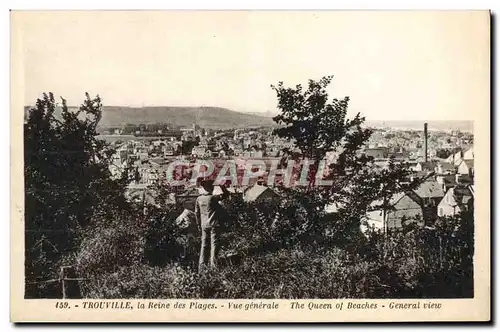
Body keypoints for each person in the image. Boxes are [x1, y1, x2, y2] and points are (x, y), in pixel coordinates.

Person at [195, 179, 230, 270]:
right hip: (214, 224)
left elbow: (196, 213)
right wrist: (222, 186)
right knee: (214, 244)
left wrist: (199, 224)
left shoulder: (199, 199)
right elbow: (226, 195)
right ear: (211, 187)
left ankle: (202, 266)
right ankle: (213, 266)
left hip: (203, 224)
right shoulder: (213, 198)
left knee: (204, 245)